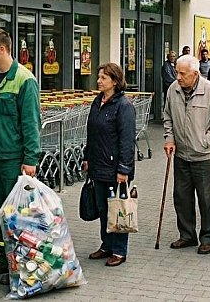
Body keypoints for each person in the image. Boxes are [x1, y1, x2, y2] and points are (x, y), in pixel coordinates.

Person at [0, 29, 41, 286]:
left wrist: (30, 159)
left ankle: (20, 262)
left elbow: (31, 123)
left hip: (14, 158)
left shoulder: (24, 80)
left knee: (16, 214)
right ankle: (4, 257)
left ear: (3, 49)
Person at [163, 55, 210, 255]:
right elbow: (167, 117)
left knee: (206, 199)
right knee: (181, 198)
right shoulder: (173, 89)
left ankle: (207, 238)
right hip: (181, 155)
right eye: (177, 72)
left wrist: (205, 141)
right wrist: (169, 138)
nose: (179, 77)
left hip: (205, 157)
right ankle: (187, 235)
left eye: (183, 73)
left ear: (195, 73)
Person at [83, 63, 136, 267]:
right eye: (99, 77)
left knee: (118, 209)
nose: (99, 81)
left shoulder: (123, 105)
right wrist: (87, 157)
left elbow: (127, 140)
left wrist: (124, 169)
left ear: (114, 81)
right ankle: (106, 245)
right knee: (103, 208)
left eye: (103, 78)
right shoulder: (98, 101)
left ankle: (119, 251)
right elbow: (92, 133)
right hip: (98, 166)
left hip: (115, 169)